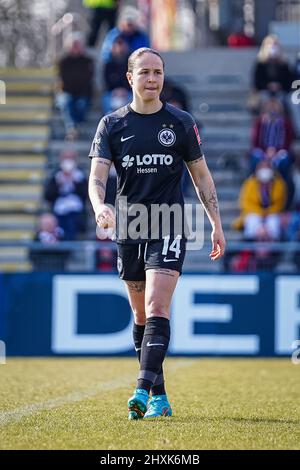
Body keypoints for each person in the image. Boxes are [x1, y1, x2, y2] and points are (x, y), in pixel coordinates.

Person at [88, 47, 226, 420]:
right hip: (130, 226)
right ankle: (160, 397)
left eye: (158, 72)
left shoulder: (180, 122)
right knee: (140, 317)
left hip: (168, 224)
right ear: (130, 78)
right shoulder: (112, 125)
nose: (152, 79)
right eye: (145, 72)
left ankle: (141, 389)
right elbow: (97, 176)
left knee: (156, 306)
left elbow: (201, 176)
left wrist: (216, 223)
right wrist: (100, 206)